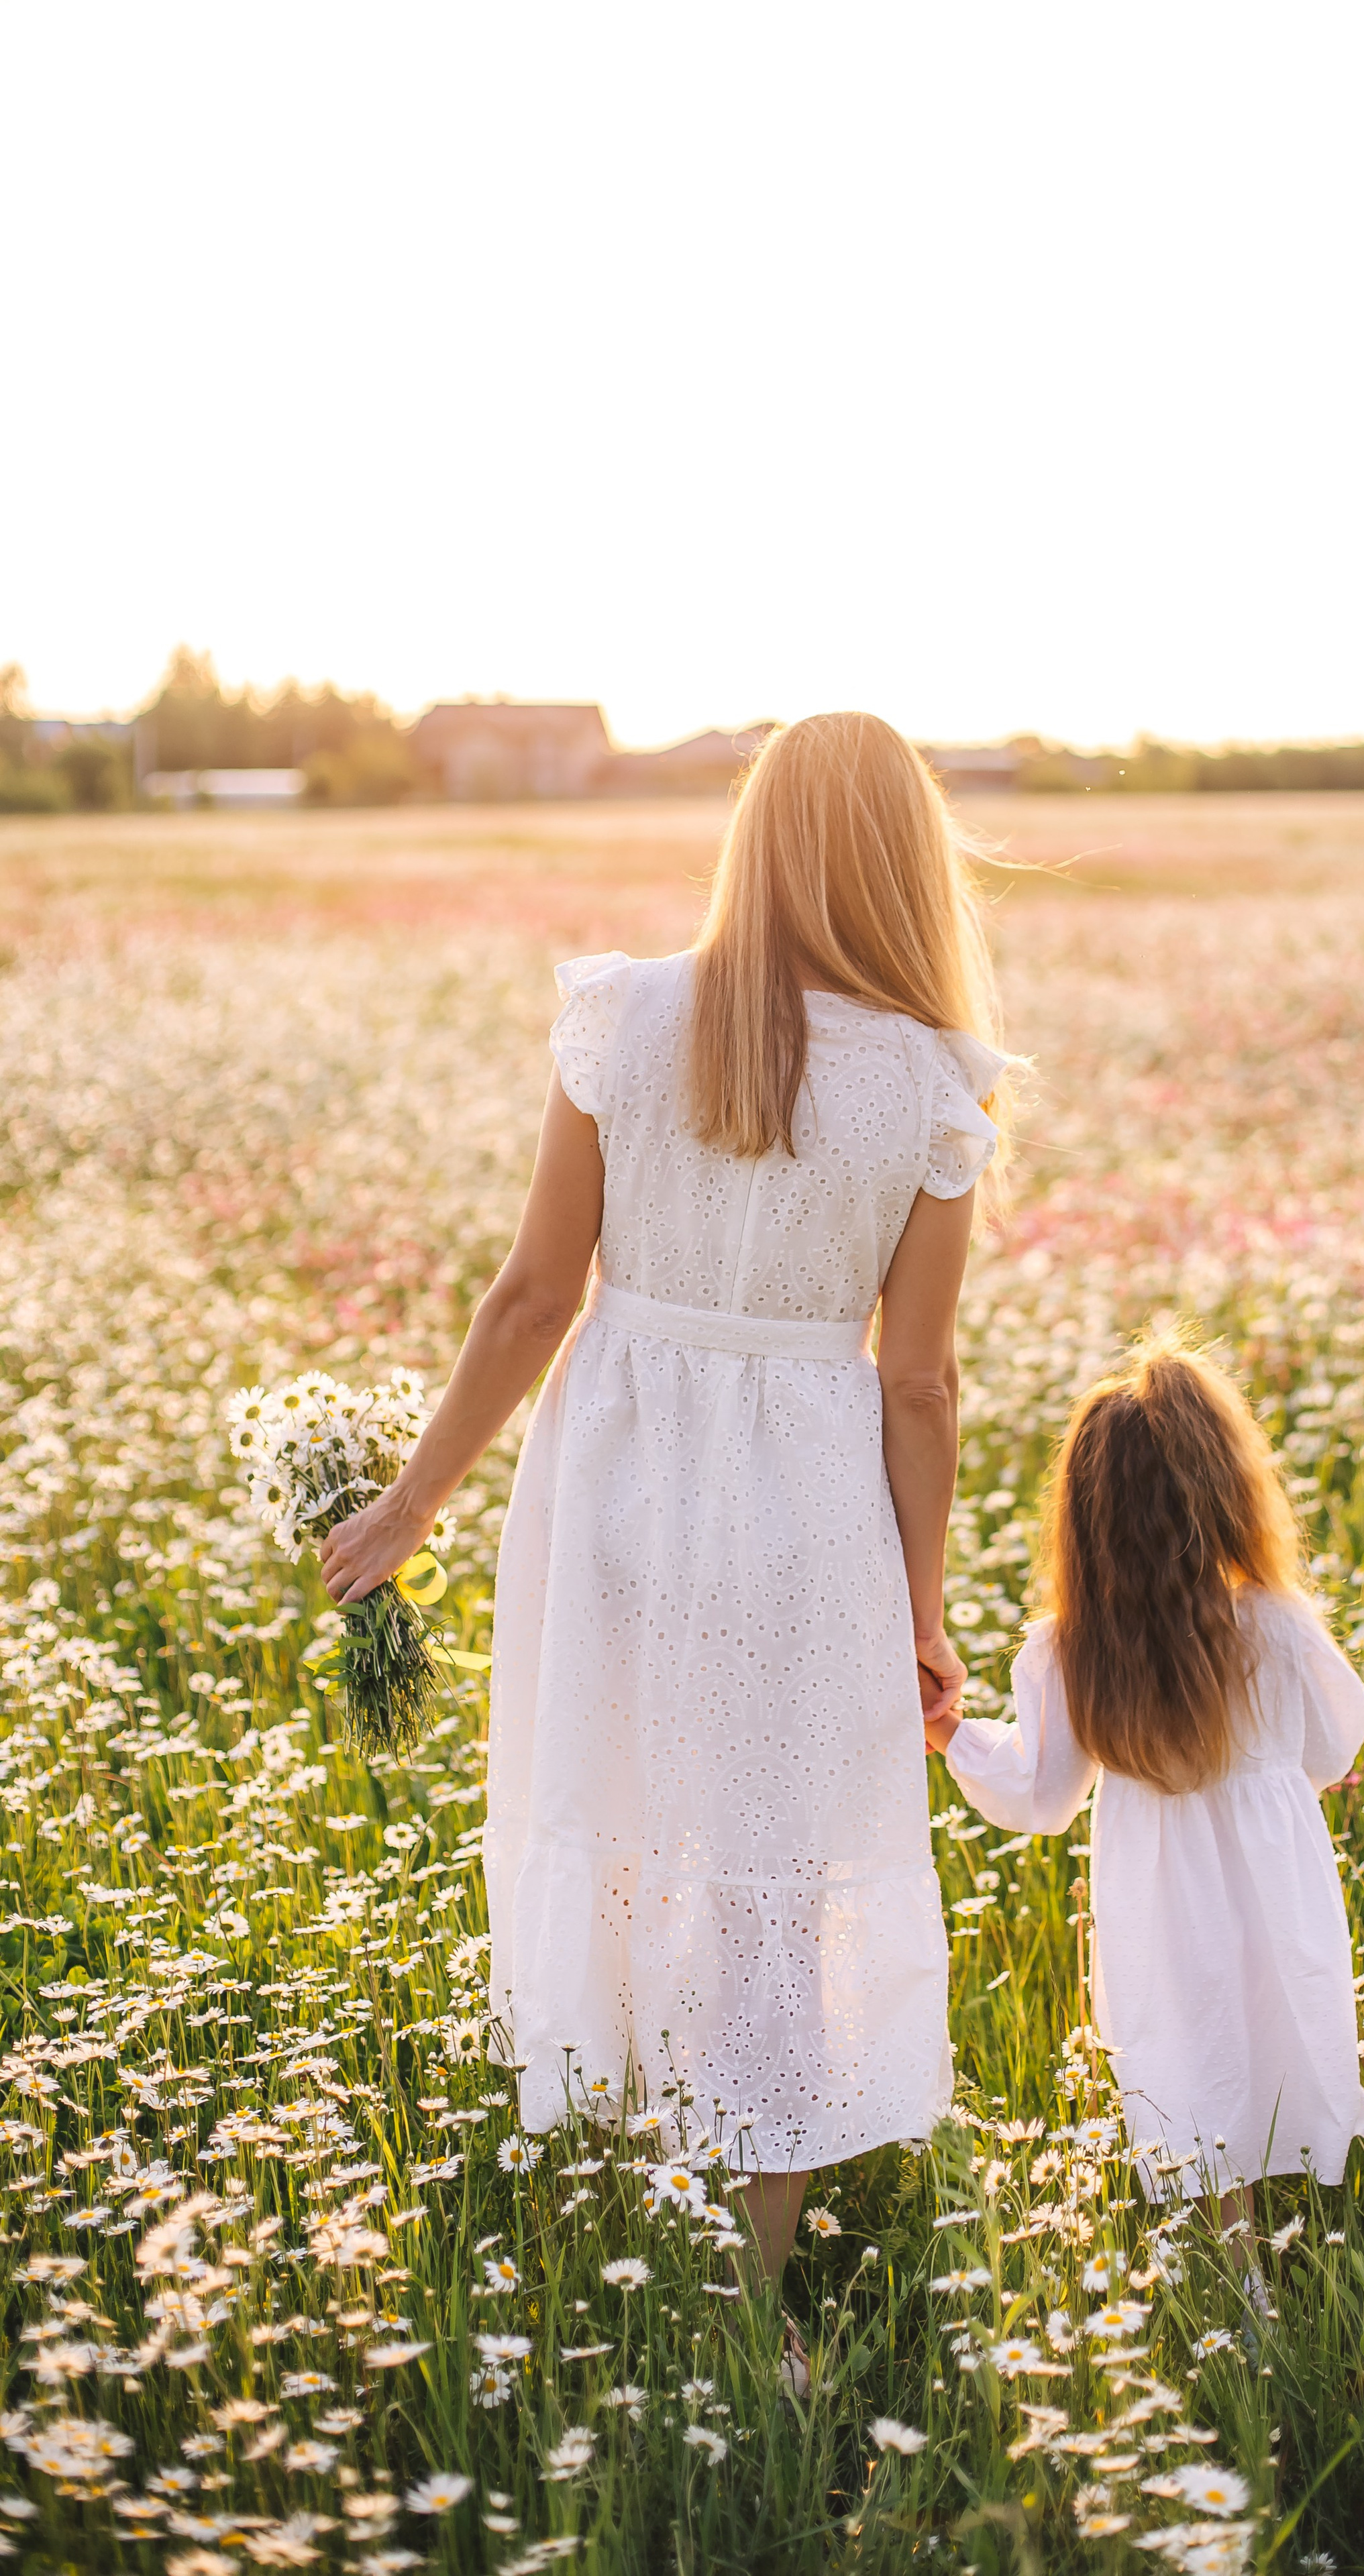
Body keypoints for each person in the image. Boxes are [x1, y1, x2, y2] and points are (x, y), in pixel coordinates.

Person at [319, 711, 1010, 2300]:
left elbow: (528, 1297)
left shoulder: (623, 1018)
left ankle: (614, 2205)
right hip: (809, 1511)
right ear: (910, 865)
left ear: (751, 835)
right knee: (771, 1863)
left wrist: (418, 1501)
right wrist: (919, 1614)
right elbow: (918, 1386)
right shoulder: (924, 1086)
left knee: (624, 1811)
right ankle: (747, 2291)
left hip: (616, 1481)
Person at [925, 1336, 1364, 2214]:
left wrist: (953, 1738)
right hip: (1277, 1883)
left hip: (1159, 1898)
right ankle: (1308, 2250)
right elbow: (1336, 1745)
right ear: (1228, 1490)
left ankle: (1231, 2263)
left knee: (1189, 2059)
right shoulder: (1275, 1622)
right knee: (1283, 2029)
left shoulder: (1069, 1650)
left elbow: (1042, 1796)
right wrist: (1267, 1786)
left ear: (1083, 1519)